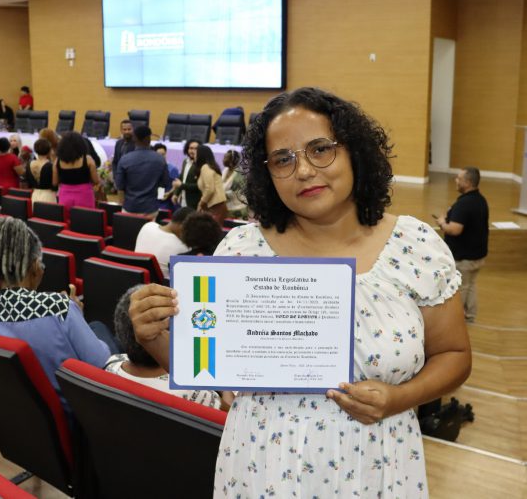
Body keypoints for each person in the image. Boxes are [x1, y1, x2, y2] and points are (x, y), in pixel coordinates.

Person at [129, 87, 471, 498]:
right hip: (260, 467)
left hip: (375, 465)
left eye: (320, 149)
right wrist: (153, 336)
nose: (304, 171)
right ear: (267, 174)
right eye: (283, 159)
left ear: (353, 152)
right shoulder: (240, 251)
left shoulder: (414, 246)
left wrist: (401, 397)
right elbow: (210, 371)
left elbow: (454, 355)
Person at [0, 218, 110, 414]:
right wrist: (77, 316)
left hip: (8, 414)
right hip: (71, 414)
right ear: (32, 266)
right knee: (100, 329)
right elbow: (101, 363)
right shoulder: (59, 307)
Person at [105, 285, 229, 409]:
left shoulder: (112, 363)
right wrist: (224, 386)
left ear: (120, 332)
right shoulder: (196, 392)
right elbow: (230, 415)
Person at [435, 167, 489, 323]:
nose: (456, 181)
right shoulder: (480, 200)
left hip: (465, 258)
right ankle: (470, 317)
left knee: (461, 288)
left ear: (468, 182)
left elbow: (454, 229)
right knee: (470, 285)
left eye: (459, 178)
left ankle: (457, 320)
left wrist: (442, 223)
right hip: (477, 256)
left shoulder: (465, 204)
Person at [114, 125, 170, 219]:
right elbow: (165, 183)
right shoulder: (160, 159)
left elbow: (119, 185)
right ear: (149, 139)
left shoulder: (125, 159)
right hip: (150, 209)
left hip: (129, 207)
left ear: (134, 138)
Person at [134, 206, 193, 275]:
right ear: (182, 226)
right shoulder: (182, 248)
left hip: (137, 277)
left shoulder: (147, 226)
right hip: (164, 281)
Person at [54, 131, 99, 211]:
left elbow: (55, 182)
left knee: (66, 217)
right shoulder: (88, 159)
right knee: (85, 217)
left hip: (65, 195)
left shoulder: (58, 161)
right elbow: (96, 180)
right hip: (85, 195)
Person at [194, 145, 227, 225]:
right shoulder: (209, 167)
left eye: (196, 154)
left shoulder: (205, 167)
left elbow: (210, 189)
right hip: (214, 205)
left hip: (216, 206)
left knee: (212, 230)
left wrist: (201, 202)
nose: (194, 156)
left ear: (200, 155)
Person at [170, 139, 201, 209]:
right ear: (187, 149)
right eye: (191, 148)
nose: (193, 151)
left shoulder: (201, 165)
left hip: (195, 203)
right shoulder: (185, 161)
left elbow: (199, 186)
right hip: (183, 201)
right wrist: (176, 194)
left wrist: (181, 185)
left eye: (196, 149)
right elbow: (181, 178)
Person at [26, 138, 57, 205]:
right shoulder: (51, 165)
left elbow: (28, 181)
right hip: (48, 195)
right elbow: (55, 184)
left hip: (35, 194)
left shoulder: (29, 164)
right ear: (49, 150)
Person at [222, 149, 248, 219]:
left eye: (225, 158)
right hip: (228, 207)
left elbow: (235, 192)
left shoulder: (239, 174)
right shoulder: (225, 170)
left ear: (232, 161)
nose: (223, 160)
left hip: (239, 208)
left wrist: (220, 195)